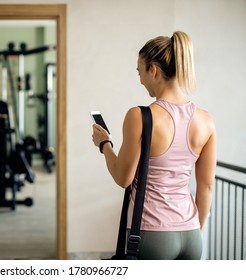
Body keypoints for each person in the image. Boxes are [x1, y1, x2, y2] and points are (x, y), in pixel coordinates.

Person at [92, 31, 216, 260]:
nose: (140, 79)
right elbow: (206, 187)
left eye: (140, 71)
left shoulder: (140, 116)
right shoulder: (205, 120)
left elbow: (122, 178)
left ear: (154, 70)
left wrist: (104, 145)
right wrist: (195, 231)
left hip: (152, 233)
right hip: (191, 234)